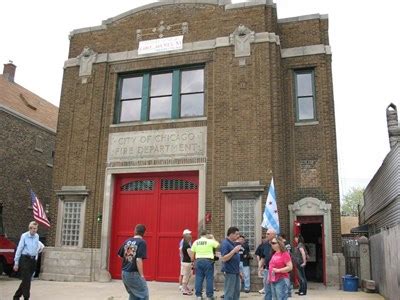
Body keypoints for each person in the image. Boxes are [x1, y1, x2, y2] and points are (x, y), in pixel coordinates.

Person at [118, 224, 149, 300]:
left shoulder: (127, 241)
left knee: (134, 295)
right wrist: (142, 276)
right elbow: (138, 259)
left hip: (124, 273)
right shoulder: (141, 242)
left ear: (135, 231)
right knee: (144, 294)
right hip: (133, 273)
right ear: (144, 233)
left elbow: (120, 255)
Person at [13, 221, 40, 300]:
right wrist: (16, 262)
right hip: (25, 259)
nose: (34, 230)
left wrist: (35, 259)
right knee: (27, 280)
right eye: (33, 229)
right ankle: (26, 297)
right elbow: (19, 249)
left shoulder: (37, 236)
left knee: (26, 280)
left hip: (32, 260)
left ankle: (16, 297)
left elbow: (36, 248)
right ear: (30, 228)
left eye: (36, 228)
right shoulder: (24, 236)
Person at [191, 229, 219, 300]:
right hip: (208, 261)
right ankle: (209, 296)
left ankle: (198, 296)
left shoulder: (196, 242)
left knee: (199, 278)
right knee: (209, 279)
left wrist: (193, 262)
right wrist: (212, 238)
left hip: (198, 261)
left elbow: (192, 253)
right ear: (207, 234)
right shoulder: (210, 241)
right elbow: (218, 245)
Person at [220, 226, 242, 300]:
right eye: (236, 234)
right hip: (229, 271)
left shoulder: (233, 243)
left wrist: (239, 271)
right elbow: (224, 258)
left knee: (236, 292)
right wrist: (234, 251)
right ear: (231, 234)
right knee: (229, 293)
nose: (238, 236)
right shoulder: (225, 243)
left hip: (235, 271)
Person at [258, 229, 276, 300]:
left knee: (275, 290)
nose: (266, 235)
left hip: (275, 271)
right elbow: (263, 257)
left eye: (268, 234)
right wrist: (260, 268)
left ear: (274, 235)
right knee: (267, 289)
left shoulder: (278, 243)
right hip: (267, 270)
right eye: (266, 233)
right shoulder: (265, 244)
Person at [180, 231, 193, 295]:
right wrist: (193, 260)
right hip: (187, 262)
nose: (191, 240)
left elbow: (181, 253)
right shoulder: (187, 245)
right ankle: (184, 289)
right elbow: (190, 254)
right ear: (188, 239)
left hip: (184, 261)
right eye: (190, 239)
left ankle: (184, 288)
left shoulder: (183, 244)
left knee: (187, 275)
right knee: (186, 276)